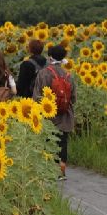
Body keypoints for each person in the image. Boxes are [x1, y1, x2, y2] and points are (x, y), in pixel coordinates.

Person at [33, 45, 77, 180]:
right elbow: (73, 98)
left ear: (50, 56)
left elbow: (37, 96)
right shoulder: (69, 75)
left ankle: (48, 171)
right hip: (65, 116)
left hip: (48, 115)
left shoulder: (44, 73)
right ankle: (61, 172)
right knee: (62, 143)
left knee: (47, 142)